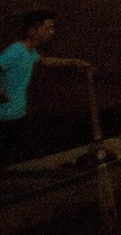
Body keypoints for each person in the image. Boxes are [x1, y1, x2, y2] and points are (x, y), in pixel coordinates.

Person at [0, 11, 93, 164]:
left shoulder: (30, 52)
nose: (52, 32)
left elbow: (45, 61)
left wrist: (74, 62)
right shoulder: (16, 51)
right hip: (4, 116)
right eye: (48, 28)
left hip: (16, 114)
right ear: (32, 31)